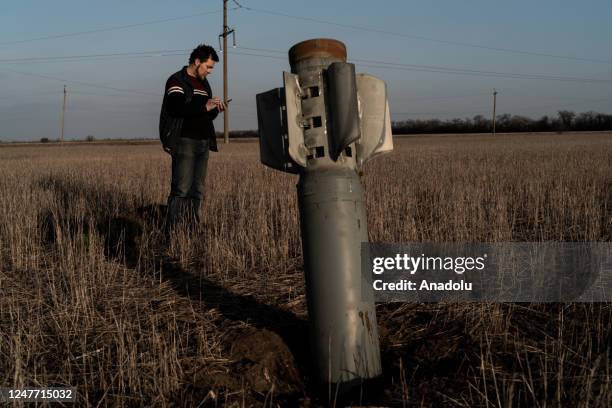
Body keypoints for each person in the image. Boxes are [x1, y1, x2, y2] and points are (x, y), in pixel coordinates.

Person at [159, 44, 226, 233]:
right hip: (185, 141)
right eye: (208, 66)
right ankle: (171, 232)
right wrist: (205, 107)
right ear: (197, 62)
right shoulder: (176, 80)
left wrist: (215, 110)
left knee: (197, 191)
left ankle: (191, 230)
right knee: (181, 189)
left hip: (203, 141)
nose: (210, 71)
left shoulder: (204, 84)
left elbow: (204, 116)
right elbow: (176, 109)